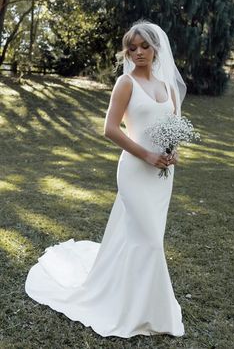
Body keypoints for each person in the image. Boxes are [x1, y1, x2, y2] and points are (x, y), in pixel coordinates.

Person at [25, 20, 186, 338]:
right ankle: (143, 312)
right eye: (132, 47)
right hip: (135, 171)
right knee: (150, 241)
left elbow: (176, 128)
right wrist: (148, 155)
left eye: (144, 46)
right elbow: (110, 129)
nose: (138, 52)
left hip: (162, 175)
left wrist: (172, 153)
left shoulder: (168, 87)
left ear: (156, 49)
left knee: (142, 239)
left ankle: (139, 300)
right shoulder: (126, 83)